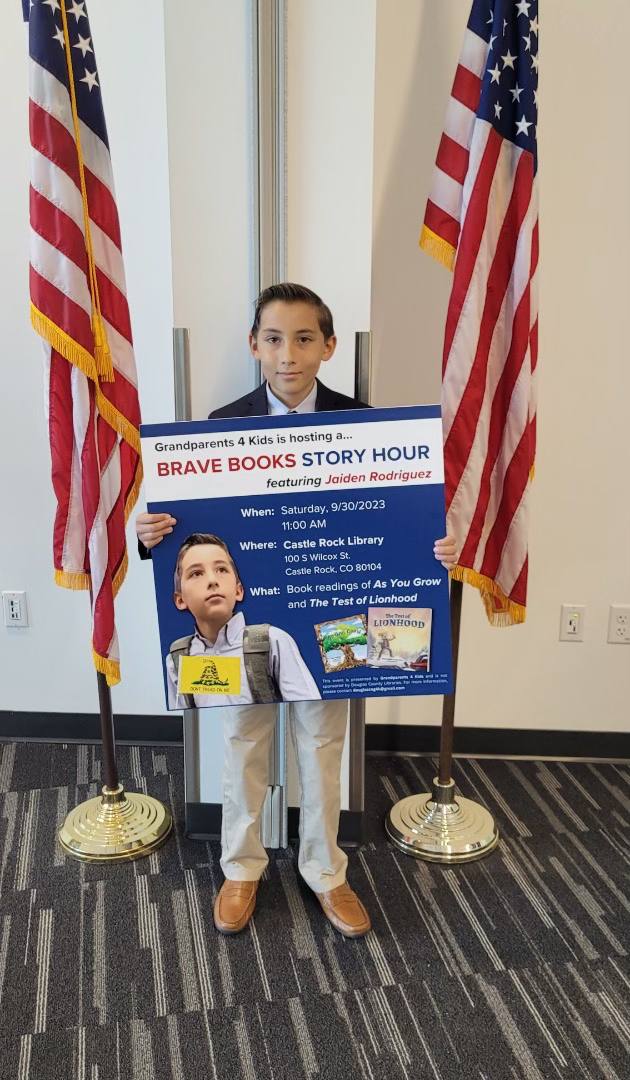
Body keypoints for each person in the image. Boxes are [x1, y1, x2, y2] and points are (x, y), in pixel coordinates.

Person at [137, 282, 458, 938]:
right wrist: (151, 538)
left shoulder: (367, 426)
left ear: (329, 346)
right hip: (233, 628)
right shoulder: (217, 431)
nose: (289, 353)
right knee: (244, 742)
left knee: (320, 746)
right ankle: (242, 868)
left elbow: (397, 527)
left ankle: (325, 870)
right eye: (275, 338)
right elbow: (189, 538)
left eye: (305, 338)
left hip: (328, 616)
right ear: (254, 345)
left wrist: (438, 546)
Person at [166, 532, 321, 708]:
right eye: (196, 573)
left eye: (221, 570)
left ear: (238, 590)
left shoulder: (273, 642)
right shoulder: (177, 659)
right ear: (180, 600)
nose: (212, 580)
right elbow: (183, 724)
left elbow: (311, 714)